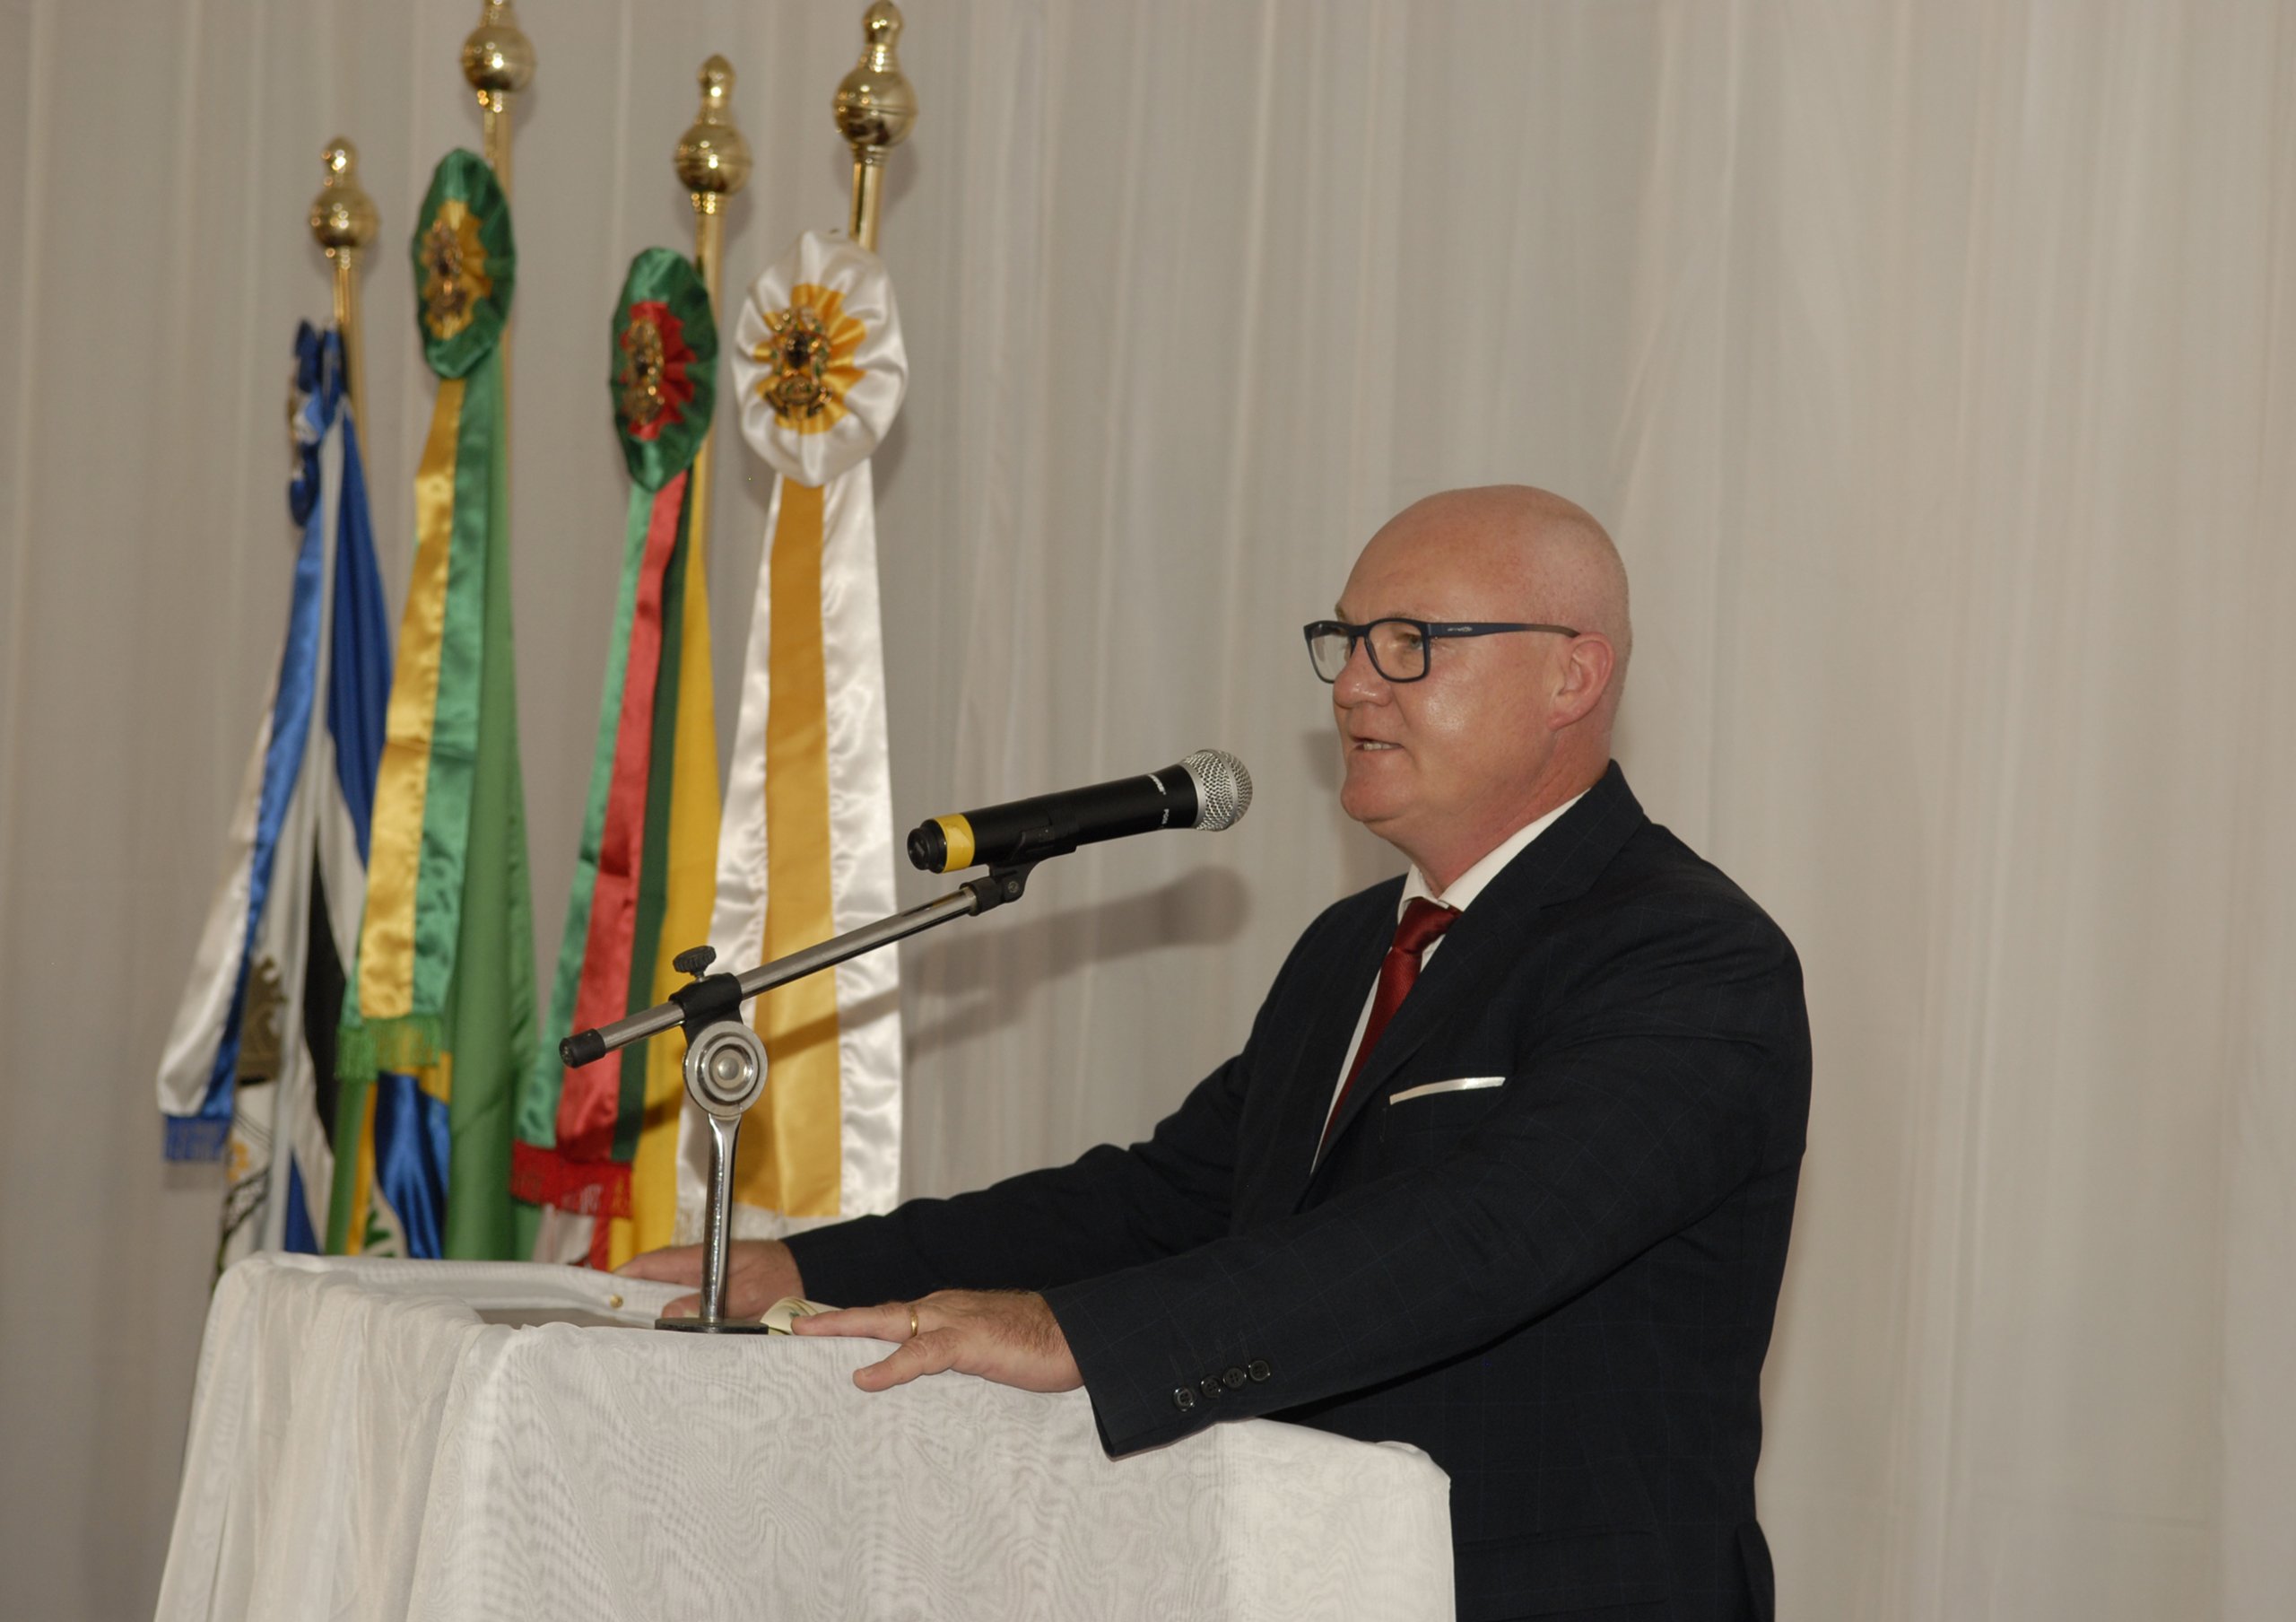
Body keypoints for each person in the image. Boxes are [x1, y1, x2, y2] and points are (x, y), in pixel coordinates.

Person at [623, 485, 1810, 1622]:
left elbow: (1482, 1239)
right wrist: (812, 1268)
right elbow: (1170, 1200)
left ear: (1572, 673)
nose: (1352, 685)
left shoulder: (1689, 957)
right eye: (1342, 640)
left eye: (1409, 642)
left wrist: (1073, 1335)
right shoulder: (1355, 947)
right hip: (1303, 1578)